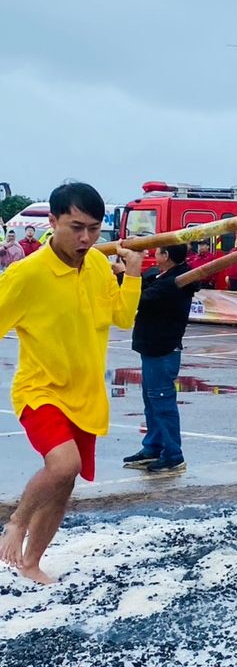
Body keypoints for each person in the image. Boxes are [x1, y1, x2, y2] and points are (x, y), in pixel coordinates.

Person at [0, 182, 142, 584]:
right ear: (51, 222)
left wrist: (131, 276)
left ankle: (31, 564)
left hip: (87, 396)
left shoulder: (98, 265)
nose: (85, 238)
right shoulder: (25, 275)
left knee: (64, 485)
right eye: (75, 227)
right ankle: (15, 522)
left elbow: (123, 319)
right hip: (39, 390)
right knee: (64, 464)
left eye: (94, 229)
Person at [123, 244, 198, 474]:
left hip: (162, 348)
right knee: (151, 401)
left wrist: (124, 274)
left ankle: (173, 454)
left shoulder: (176, 281)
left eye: (157, 252)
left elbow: (142, 298)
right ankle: (153, 447)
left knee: (162, 402)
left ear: (166, 256)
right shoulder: (162, 276)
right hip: (152, 347)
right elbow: (145, 284)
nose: (154, 255)